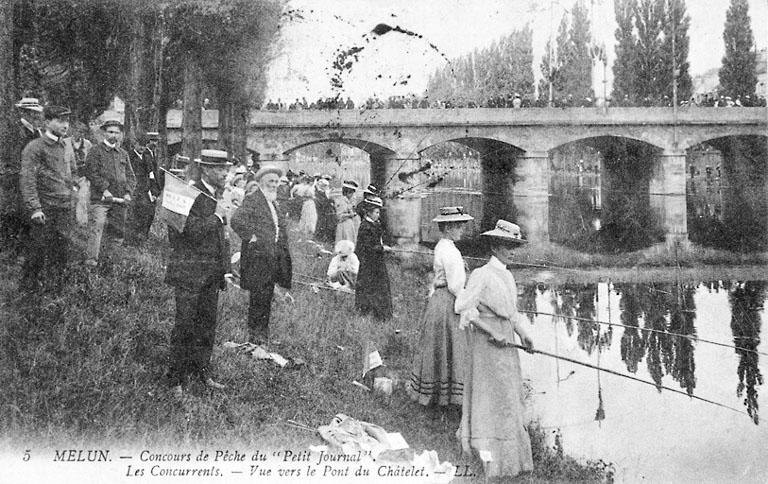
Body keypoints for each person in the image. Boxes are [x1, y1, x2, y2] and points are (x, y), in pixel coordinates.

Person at [454, 219, 535, 479]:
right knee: (489, 395)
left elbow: (511, 313)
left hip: (507, 342)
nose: (512, 251)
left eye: (514, 246)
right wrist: (491, 332)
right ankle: (487, 453)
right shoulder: (481, 274)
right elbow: (463, 308)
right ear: (495, 247)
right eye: (507, 246)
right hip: (486, 345)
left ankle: (511, 458)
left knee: (508, 394)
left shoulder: (508, 275)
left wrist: (524, 334)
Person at [165, 149, 232, 396]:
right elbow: (185, 232)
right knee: (184, 325)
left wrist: (225, 268)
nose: (225, 173)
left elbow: (221, 239)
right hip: (189, 272)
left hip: (211, 273)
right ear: (205, 169)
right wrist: (216, 216)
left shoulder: (217, 194)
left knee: (206, 326)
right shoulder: (187, 193)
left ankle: (201, 373)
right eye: (219, 169)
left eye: (226, 169)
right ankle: (175, 380)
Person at [408, 206, 474, 407]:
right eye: (458, 226)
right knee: (451, 345)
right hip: (447, 301)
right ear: (448, 228)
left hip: (437, 300)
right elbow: (455, 286)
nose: (461, 229)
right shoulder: (451, 251)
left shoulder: (441, 247)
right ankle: (449, 397)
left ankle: (434, 392)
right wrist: (469, 305)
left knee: (437, 347)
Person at [231, 165, 293, 346]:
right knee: (258, 300)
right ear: (261, 183)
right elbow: (236, 220)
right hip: (258, 259)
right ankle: (255, 339)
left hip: (272, 259)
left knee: (266, 298)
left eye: (276, 182)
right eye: (270, 182)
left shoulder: (273, 202)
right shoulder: (253, 199)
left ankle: (261, 337)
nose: (274, 185)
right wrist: (251, 237)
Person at [18, 106, 76, 293]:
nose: (65, 125)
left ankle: (54, 293)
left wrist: (72, 191)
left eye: (67, 121)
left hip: (64, 208)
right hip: (44, 210)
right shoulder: (35, 147)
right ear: (46, 122)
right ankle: (28, 294)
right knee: (37, 252)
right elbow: (28, 179)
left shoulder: (64, 146)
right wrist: (35, 208)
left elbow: (67, 175)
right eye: (59, 120)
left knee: (61, 253)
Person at [84, 119, 136, 266]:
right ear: (104, 133)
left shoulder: (123, 154)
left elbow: (131, 177)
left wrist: (128, 193)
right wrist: (104, 189)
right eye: (110, 132)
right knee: (97, 228)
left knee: (117, 231)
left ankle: (112, 263)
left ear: (121, 135)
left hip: (119, 200)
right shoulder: (95, 151)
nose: (114, 135)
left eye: (117, 132)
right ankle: (91, 262)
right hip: (100, 199)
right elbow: (91, 172)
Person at [1, 97, 43, 253]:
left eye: (36, 113)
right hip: (16, 176)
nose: (35, 116)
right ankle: (9, 249)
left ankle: (22, 248)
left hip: (32, 177)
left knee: (28, 211)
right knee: (13, 212)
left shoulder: (37, 131)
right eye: (31, 113)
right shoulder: (15, 130)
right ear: (23, 112)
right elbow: (12, 156)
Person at [354, 196, 392, 320]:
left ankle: (381, 314)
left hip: (377, 262)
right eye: (376, 212)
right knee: (370, 288)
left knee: (381, 287)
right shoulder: (365, 227)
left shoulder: (375, 225)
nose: (378, 215)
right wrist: (382, 248)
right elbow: (367, 247)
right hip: (368, 263)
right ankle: (367, 312)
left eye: (379, 212)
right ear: (369, 212)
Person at [127, 132, 162, 245]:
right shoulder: (130, 157)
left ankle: (142, 238)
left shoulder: (147, 157)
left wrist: (154, 191)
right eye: (140, 145)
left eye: (144, 145)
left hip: (146, 190)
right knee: (135, 216)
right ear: (135, 144)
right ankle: (132, 240)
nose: (142, 148)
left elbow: (151, 174)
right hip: (135, 191)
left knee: (149, 213)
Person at [314, 177, 336, 243]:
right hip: (322, 212)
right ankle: (320, 238)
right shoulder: (320, 193)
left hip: (324, 212)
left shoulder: (322, 193)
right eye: (325, 186)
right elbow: (324, 202)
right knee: (322, 224)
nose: (327, 187)